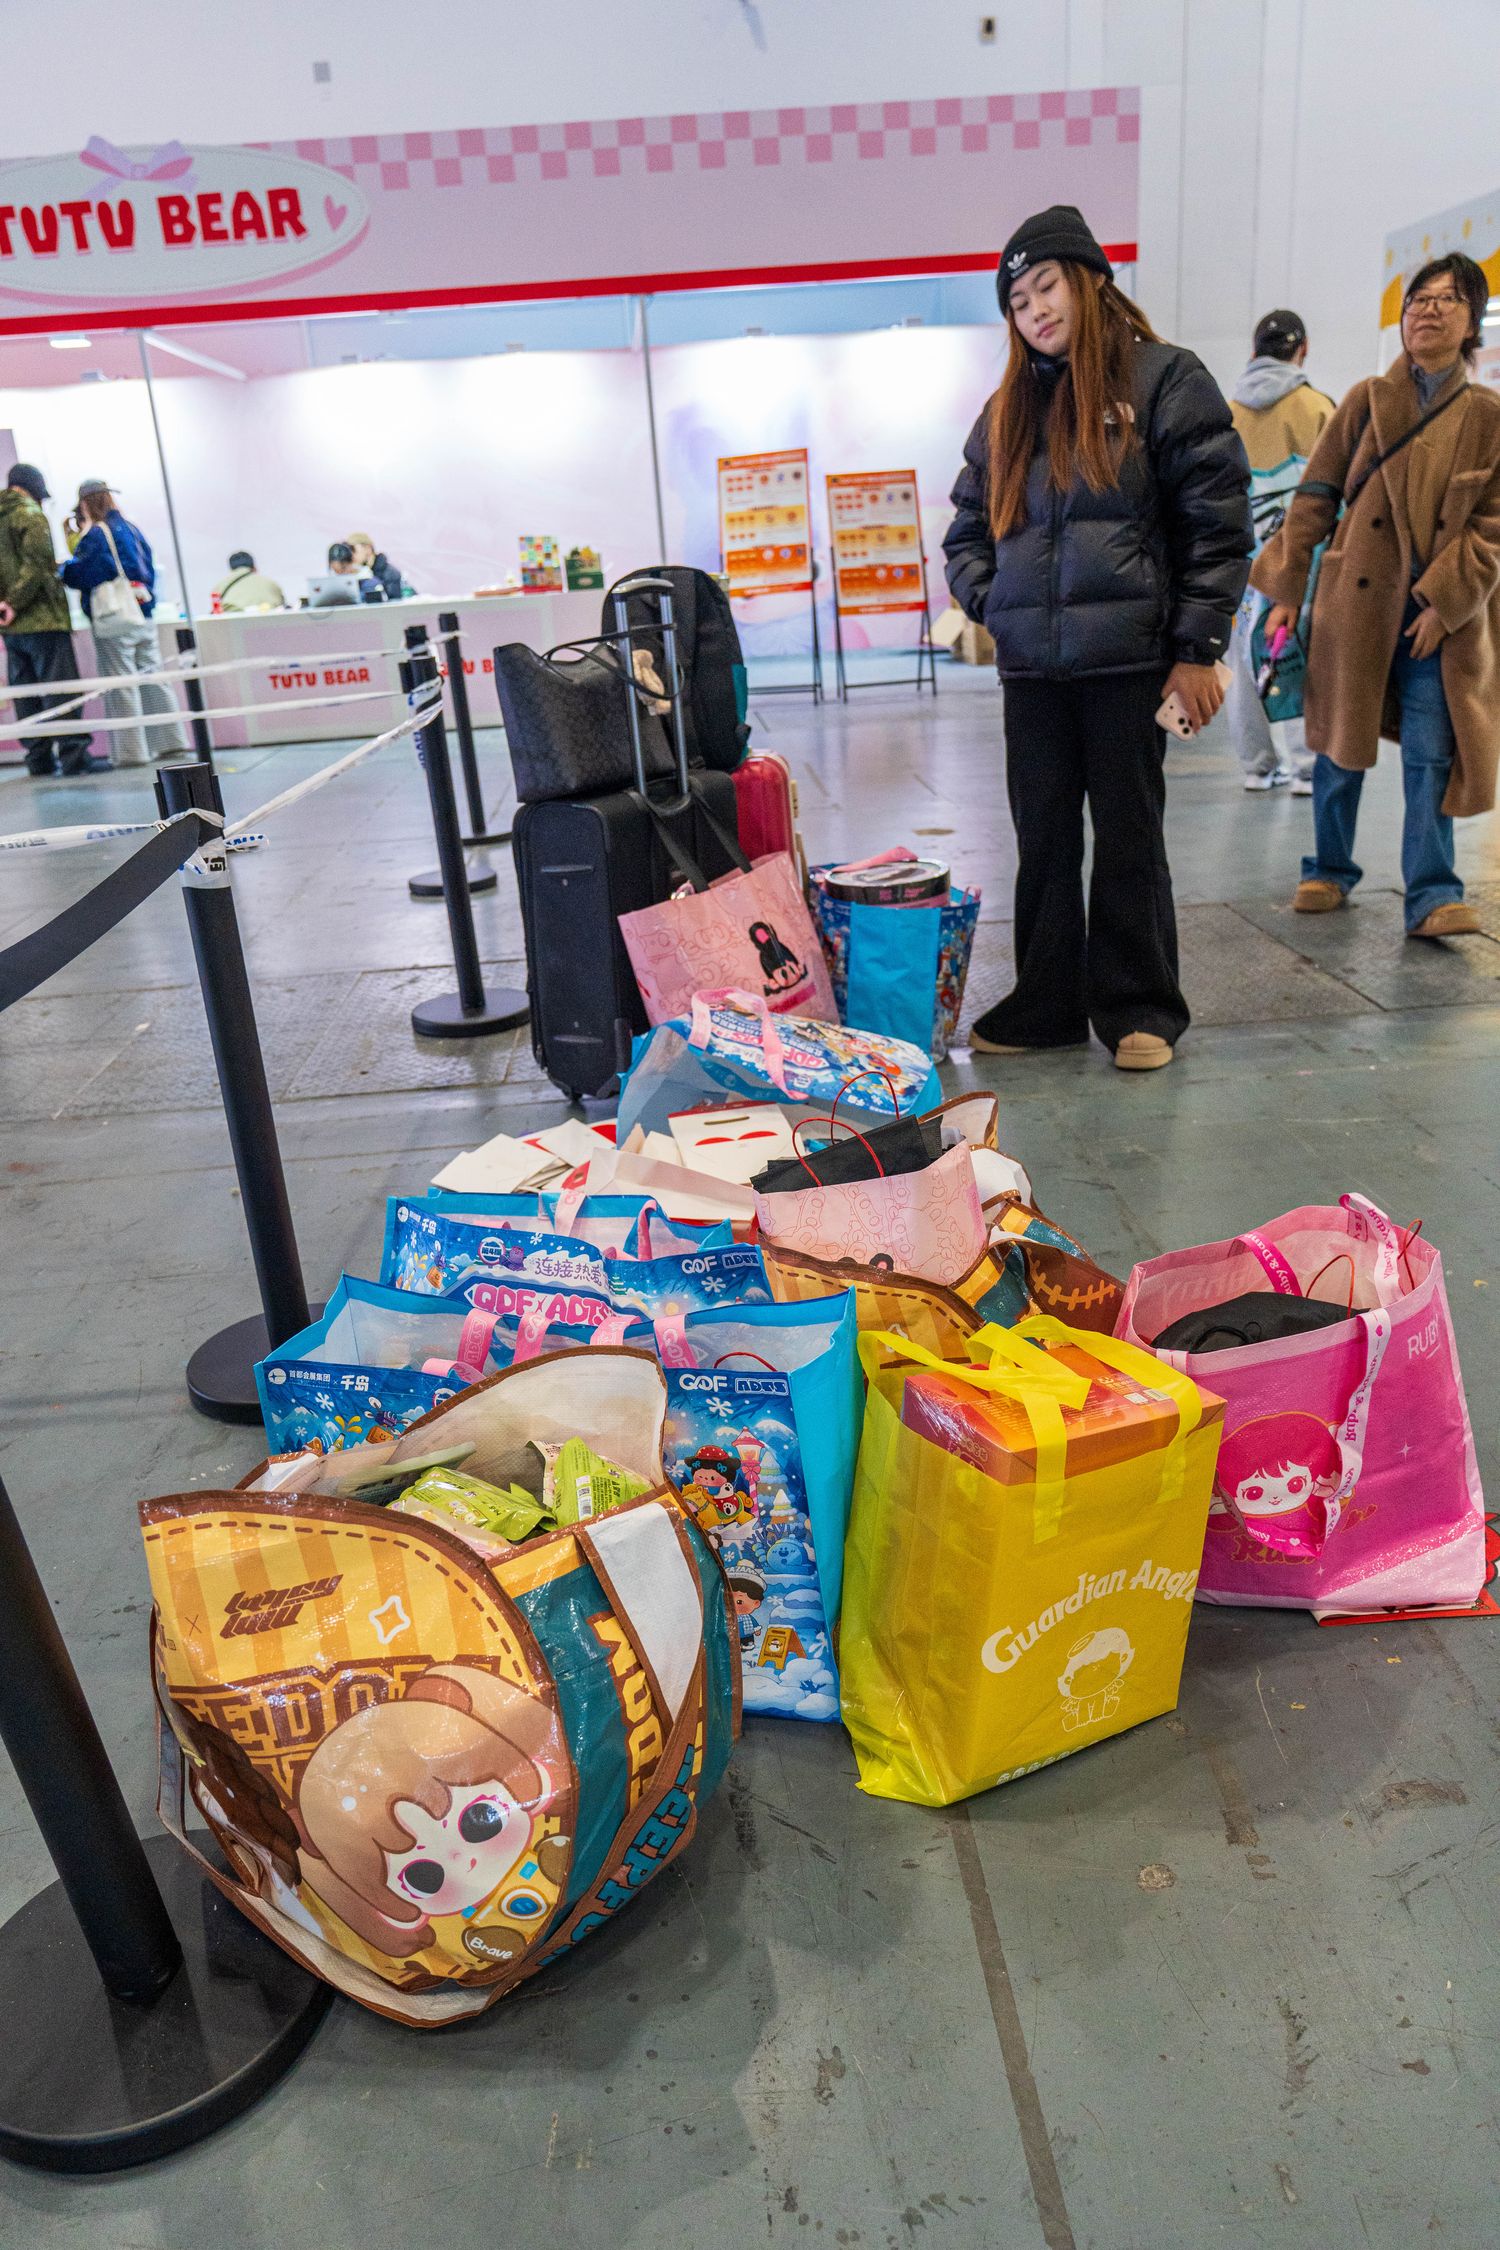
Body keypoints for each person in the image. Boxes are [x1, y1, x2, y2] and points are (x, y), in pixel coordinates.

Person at [943, 204, 1252, 1071]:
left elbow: (1216, 525)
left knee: (1127, 833)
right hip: (1033, 674)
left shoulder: (1165, 380)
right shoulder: (1006, 410)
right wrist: (992, 600)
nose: (1034, 310)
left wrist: (1197, 647)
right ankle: (1045, 1005)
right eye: (1017, 301)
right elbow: (965, 531)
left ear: (1091, 282)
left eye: (1047, 287)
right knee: (1040, 838)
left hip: (1129, 661)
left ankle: (1139, 1007)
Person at [1256, 251, 1500, 941]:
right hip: (1355, 604)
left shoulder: (1489, 416)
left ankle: (1431, 894)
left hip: (1437, 616)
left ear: (1471, 322)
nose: (1426, 309)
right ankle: (1328, 869)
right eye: (1418, 298)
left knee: (1432, 751)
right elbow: (1314, 498)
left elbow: (1493, 525)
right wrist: (1285, 590)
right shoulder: (1365, 400)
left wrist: (1447, 603)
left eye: (1446, 299)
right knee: (1338, 743)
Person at [1226, 311, 1336, 793]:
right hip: (1300, 553)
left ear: (1254, 351)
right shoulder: (1317, 407)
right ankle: (1307, 765)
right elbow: (1337, 488)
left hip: (1241, 555)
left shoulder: (1226, 413)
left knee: (1243, 657)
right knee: (1295, 647)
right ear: (1303, 349)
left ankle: (1257, 766)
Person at [60, 478, 188, 767]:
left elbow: (82, 575)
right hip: (142, 612)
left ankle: (131, 753)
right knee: (155, 679)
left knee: (122, 685)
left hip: (114, 619)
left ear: (84, 504)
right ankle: (171, 744)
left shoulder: (95, 535)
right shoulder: (131, 528)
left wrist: (63, 567)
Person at [0, 462, 101, 777]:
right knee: (61, 690)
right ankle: (75, 758)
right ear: (33, 488)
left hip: (10, 624)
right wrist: (15, 602)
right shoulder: (30, 515)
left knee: (25, 693)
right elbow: (39, 564)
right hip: (43, 619)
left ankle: (38, 759)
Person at [212, 550, 286, 612]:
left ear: (232, 569)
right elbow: (282, 608)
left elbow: (217, 614)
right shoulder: (271, 583)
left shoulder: (218, 588)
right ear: (254, 568)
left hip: (235, 626)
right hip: (268, 626)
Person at [318, 540, 386, 604]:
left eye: (343, 568)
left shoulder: (370, 583)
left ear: (352, 562)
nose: (340, 574)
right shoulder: (330, 587)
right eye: (335, 570)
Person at [346, 533, 406, 602]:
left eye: (353, 550)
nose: (351, 555)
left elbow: (395, 604)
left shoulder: (389, 573)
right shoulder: (360, 572)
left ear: (368, 548)